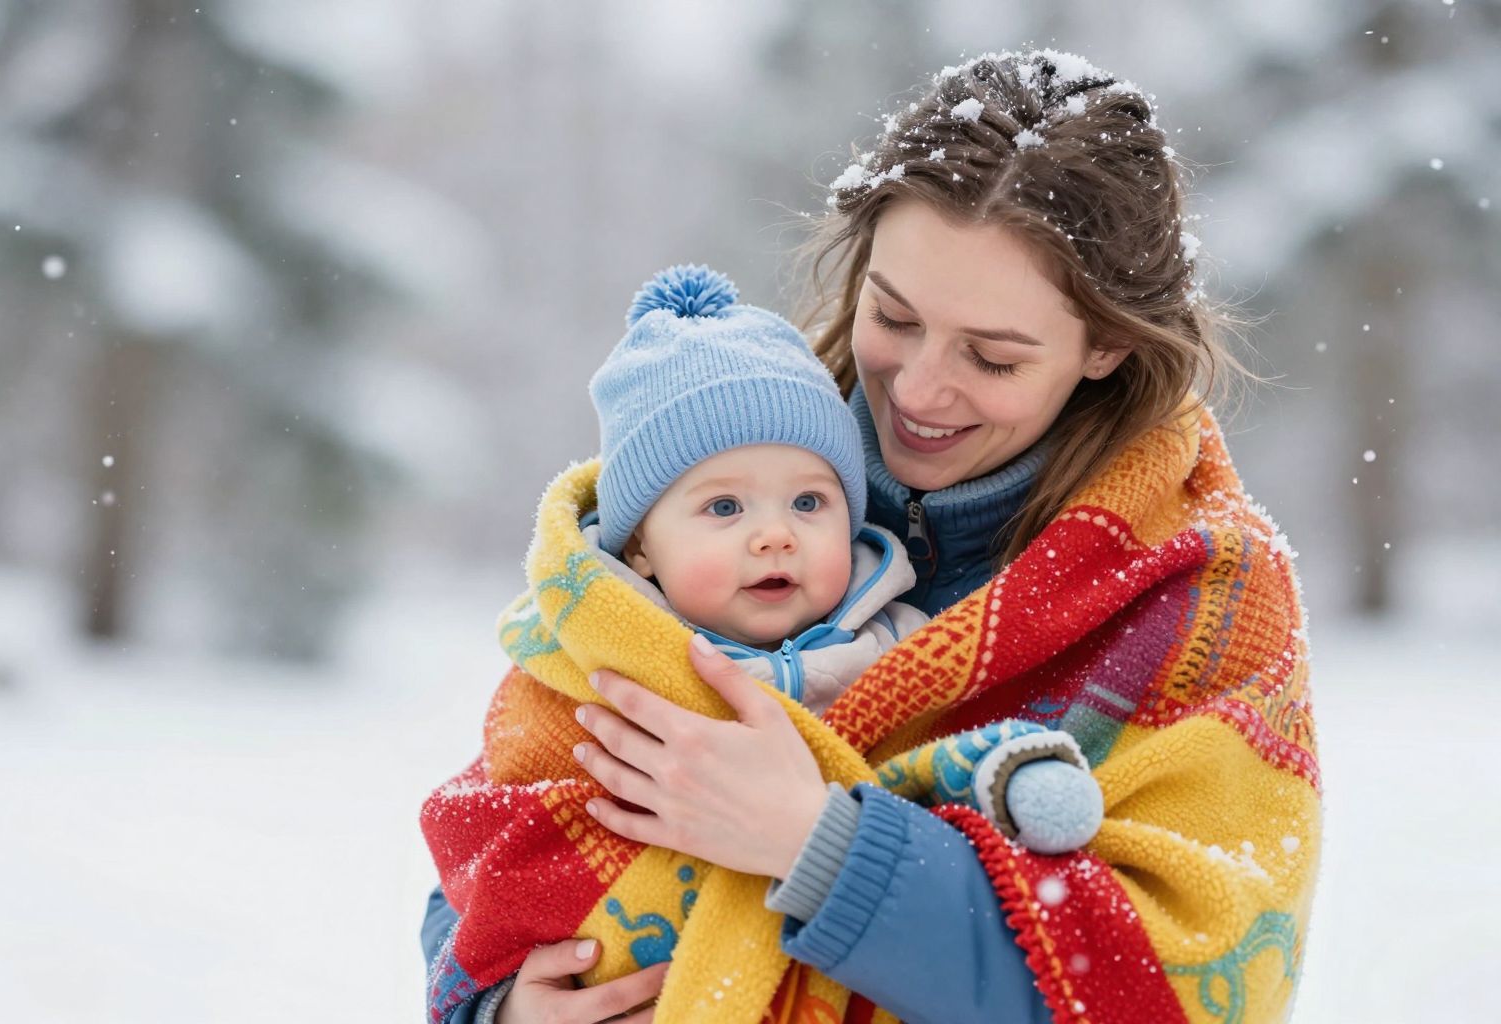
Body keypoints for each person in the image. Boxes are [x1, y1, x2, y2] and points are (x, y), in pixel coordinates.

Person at [422, 48, 1319, 1024]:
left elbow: (1182, 978)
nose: (921, 389)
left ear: (1107, 345)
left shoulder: (1196, 602)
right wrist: (504, 1005)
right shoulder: (732, 475)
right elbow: (510, 828)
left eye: (992, 356)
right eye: (893, 316)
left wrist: (824, 844)